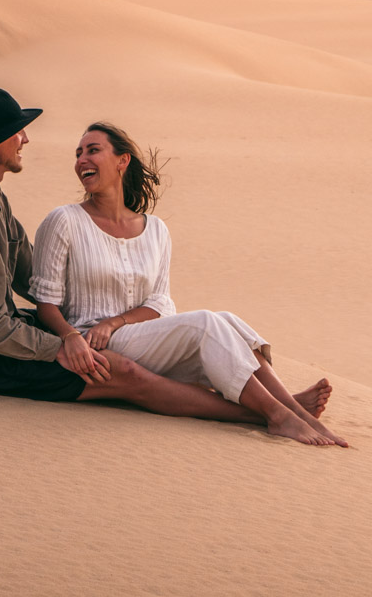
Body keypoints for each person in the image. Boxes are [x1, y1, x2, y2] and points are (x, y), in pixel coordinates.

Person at [0, 88, 345, 446]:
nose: (25, 138)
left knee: (213, 327)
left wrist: (88, 321)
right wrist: (64, 345)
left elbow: (30, 277)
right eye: (17, 131)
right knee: (119, 372)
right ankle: (262, 415)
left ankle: (281, 405)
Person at [29, 121, 347, 447]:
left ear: (122, 161)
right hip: (93, 343)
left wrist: (116, 322)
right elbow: (45, 302)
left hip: (143, 338)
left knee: (227, 321)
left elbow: (160, 302)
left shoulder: (155, 230)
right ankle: (280, 416)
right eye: (78, 153)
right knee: (207, 324)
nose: (82, 159)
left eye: (93, 150)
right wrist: (71, 336)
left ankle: (293, 410)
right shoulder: (64, 221)